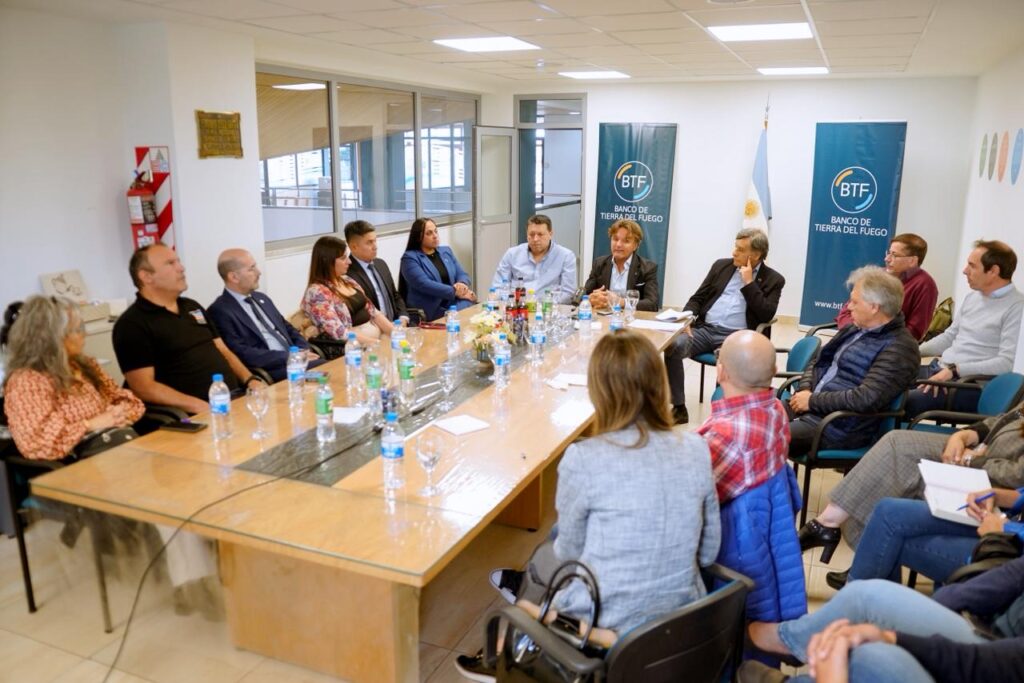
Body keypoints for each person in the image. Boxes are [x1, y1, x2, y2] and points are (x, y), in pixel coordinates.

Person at [455, 329, 721, 681]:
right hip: (682, 622)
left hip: (606, 629)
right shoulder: (696, 450)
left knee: (544, 565)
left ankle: (512, 647)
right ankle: (520, 628)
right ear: (659, 386)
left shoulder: (584, 458)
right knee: (544, 566)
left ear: (599, 391)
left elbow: (570, 552)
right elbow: (708, 552)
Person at [798, 403, 1024, 564]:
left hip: (990, 477)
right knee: (896, 444)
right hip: (978, 450)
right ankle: (833, 527)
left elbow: (1017, 476)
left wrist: (971, 460)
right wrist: (962, 436)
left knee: (902, 471)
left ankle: (833, 530)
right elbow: (1001, 420)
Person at [742, 557, 1024, 683]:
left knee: (869, 658)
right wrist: (891, 635)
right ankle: (788, 641)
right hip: (1000, 644)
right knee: (865, 596)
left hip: (1001, 654)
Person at [697, 330, 805, 644]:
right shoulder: (776, 411)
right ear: (774, 372)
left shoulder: (723, 437)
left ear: (721, 372)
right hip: (763, 547)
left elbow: (690, 503)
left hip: (728, 553)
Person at [113, 243, 264, 415]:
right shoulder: (132, 324)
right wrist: (198, 406)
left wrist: (250, 379)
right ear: (146, 276)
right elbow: (144, 388)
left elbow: (223, 350)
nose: (181, 268)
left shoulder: (192, 307)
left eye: (178, 261)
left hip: (233, 398)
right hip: (192, 414)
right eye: (170, 263)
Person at [787, 266, 920, 459]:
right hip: (811, 409)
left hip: (837, 426)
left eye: (855, 302)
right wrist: (804, 390)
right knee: (750, 415)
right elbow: (818, 362)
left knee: (762, 436)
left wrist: (812, 401)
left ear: (874, 307)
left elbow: (866, 398)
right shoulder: (853, 329)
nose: (848, 307)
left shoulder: (900, 348)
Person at [665, 228, 785, 424]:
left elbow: (766, 313)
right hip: (705, 330)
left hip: (737, 336)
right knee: (673, 345)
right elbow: (698, 298)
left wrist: (749, 283)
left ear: (756, 255)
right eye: (735, 247)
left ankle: (722, 416)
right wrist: (688, 319)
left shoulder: (774, 279)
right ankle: (678, 407)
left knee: (728, 361)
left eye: (740, 249)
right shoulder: (721, 266)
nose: (733, 253)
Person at [3, 296, 143, 461]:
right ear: (53, 338)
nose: (85, 334)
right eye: (78, 329)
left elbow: (127, 401)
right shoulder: (27, 381)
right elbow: (39, 444)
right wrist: (90, 425)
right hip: (80, 464)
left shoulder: (84, 365)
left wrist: (118, 413)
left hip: (120, 446)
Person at [907, 239, 1023, 418]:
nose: (964, 270)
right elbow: (949, 337)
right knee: (883, 381)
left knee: (903, 401)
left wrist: (956, 370)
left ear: (993, 271)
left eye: (972, 266)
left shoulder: (1017, 307)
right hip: (941, 370)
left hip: (968, 384)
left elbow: (1006, 363)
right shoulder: (973, 297)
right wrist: (913, 350)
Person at [827, 486, 1024, 591]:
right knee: (888, 512)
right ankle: (861, 611)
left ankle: (853, 610)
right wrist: (997, 494)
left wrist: (1004, 529)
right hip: (1004, 522)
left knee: (891, 540)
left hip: (1010, 553)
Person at [207, 249, 322, 383]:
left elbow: (287, 327)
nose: (259, 272)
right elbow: (241, 352)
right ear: (234, 277)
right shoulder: (220, 311)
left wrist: (303, 348)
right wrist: (289, 356)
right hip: (273, 369)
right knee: (325, 370)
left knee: (330, 367)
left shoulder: (261, 298)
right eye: (251, 269)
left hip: (297, 360)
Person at [834, 233, 938, 341]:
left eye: (895, 255)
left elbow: (914, 331)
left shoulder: (925, 285)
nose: (887, 259)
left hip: (889, 344)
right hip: (854, 336)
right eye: (888, 253)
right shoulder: (877, 275)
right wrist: (856, 333)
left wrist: (874, 340)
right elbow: (845, 313)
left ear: (912, 261)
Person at [302, 235, 394, 344]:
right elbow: (339, 333)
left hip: (376, 338)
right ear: (327, 261)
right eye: (343, 258)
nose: (349, 262)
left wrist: (397, 333)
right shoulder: (317, 292)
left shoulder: (347, 280)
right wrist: (377, 344)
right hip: (353, 346)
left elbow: (373, 312)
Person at [399, 217, 476, 322]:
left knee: (470, 307)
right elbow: (424, 284)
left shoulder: (446, 251)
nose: (435, 236)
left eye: (436, 231)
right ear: (418, 237)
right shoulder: (410, 258)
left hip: (453, 303)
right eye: (429, 233)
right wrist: (455, 292)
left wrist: (462, 285)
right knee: (464, 312)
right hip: (430, 309)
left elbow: (462, 274)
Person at [490, 214, 577, 304]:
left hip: (549, 309)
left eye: (540, 234)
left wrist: (544, 305)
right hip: (517, 308)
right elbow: (498, 287)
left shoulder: (566, 256)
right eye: (531, 234)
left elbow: (568, 293)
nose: (535, 239)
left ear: (550, 234)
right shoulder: (512, 254)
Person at [582, 218, 659, 312]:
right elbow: (584, 293)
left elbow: (652, 304)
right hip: (603, 316)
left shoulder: (648, 268)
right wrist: (590, 298)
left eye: (626, 241)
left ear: (635, 246)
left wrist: (620, 302)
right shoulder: (599, 264)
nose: (618, 244)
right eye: (615, 239)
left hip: (632, 317)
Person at [343, 220, 409, 324]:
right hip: (373, 328)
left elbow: (395, 295)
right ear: (353, 247)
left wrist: (403, 317)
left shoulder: (381, 264)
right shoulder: (347, 274)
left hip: (397, 325)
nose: (375, 246)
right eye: (369, 242)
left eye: (375, 241)